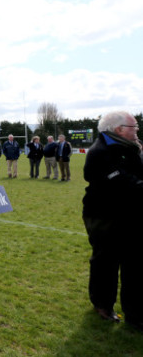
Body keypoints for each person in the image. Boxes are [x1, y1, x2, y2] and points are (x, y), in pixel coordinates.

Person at [82, 111, 143, 331]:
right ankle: (103, 306)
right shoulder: (100, 151)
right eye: (134, 127)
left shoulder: (132, 147)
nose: (137, 131)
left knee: (135, 264)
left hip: (133, 216)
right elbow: (123, 182)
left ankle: (135, 314)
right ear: (118, 129)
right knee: (105, 262)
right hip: (103, 217)